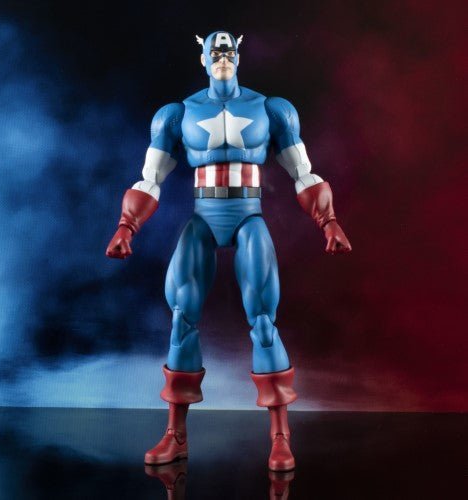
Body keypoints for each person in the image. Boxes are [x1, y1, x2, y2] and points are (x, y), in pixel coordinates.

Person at [106, 31, 352, 471]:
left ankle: (280, 437)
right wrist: (127, 227)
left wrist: (327, 220)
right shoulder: (177, 115)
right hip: (204, 217)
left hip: (247, 214)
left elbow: (303, 171)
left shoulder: (270, 110)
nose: (222, 56)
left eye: (228, 50)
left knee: (263, 320)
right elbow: (150, 178)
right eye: (215, 50)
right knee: (181, 316)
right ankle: (175, 435)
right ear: (202, 57)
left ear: (238, 55)